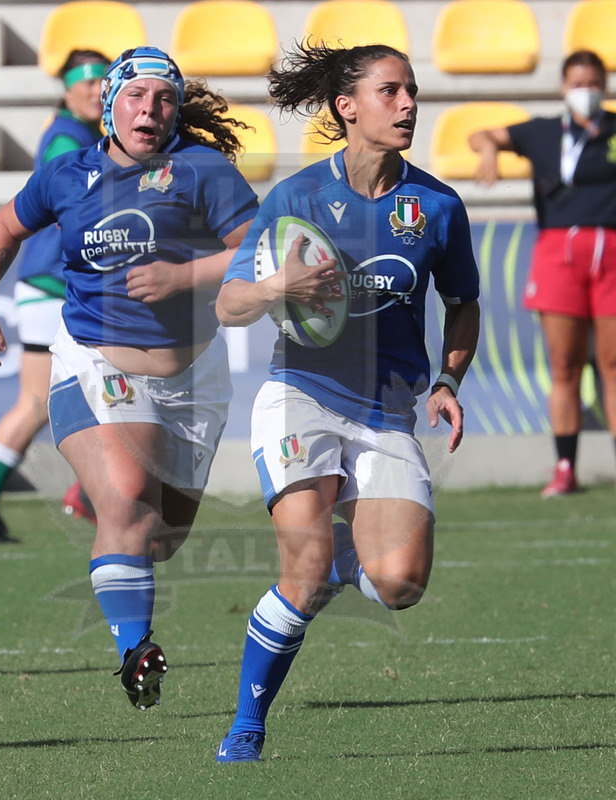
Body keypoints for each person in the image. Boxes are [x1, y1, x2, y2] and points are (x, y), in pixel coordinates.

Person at [0, 46, 258, 709]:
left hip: (193, 375)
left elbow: (257, 248)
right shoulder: (69, 175)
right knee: (127, 498)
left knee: (161, 537)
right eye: (135, 96)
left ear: (175, 109)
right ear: (109, 104)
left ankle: (125, 577)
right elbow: (5, 226)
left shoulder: (204, 171)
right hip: (94, 360)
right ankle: (136, 649)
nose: (148, 110)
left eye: (162, 99)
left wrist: (185, 276)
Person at [213, 42, 480, 763]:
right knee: (300, 573)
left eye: (413, 92)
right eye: (391, 92)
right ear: (347, 106)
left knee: (399, 584)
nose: (408, 105)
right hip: (301, 394)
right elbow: (231, 302)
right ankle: (246, 726)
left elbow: (464, 304)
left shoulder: (436, 206)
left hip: (387, 410)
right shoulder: (298, 197)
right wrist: (278, 289)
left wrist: (450, 381)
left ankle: (345, 560)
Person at [0, 49, 109, 543]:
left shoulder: (84, 135)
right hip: (52, 286)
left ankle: (85, 493)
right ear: (64, 89)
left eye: (102, 81)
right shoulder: (68, 137)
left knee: (94, 392)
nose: (94, 89)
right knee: (37, 402)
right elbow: (75, 210)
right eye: (83, 82)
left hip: (60, 285)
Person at [469, 50, 616, 498]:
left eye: (593, 83)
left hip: (611, 248)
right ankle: (565, 467)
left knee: (613, 365)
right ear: (562, 87)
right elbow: (479, 135)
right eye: (577, 83)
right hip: (558, 252)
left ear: (605, 87)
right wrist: (491, 149)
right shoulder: (543, 132)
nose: (585, 92)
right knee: (565, 365)